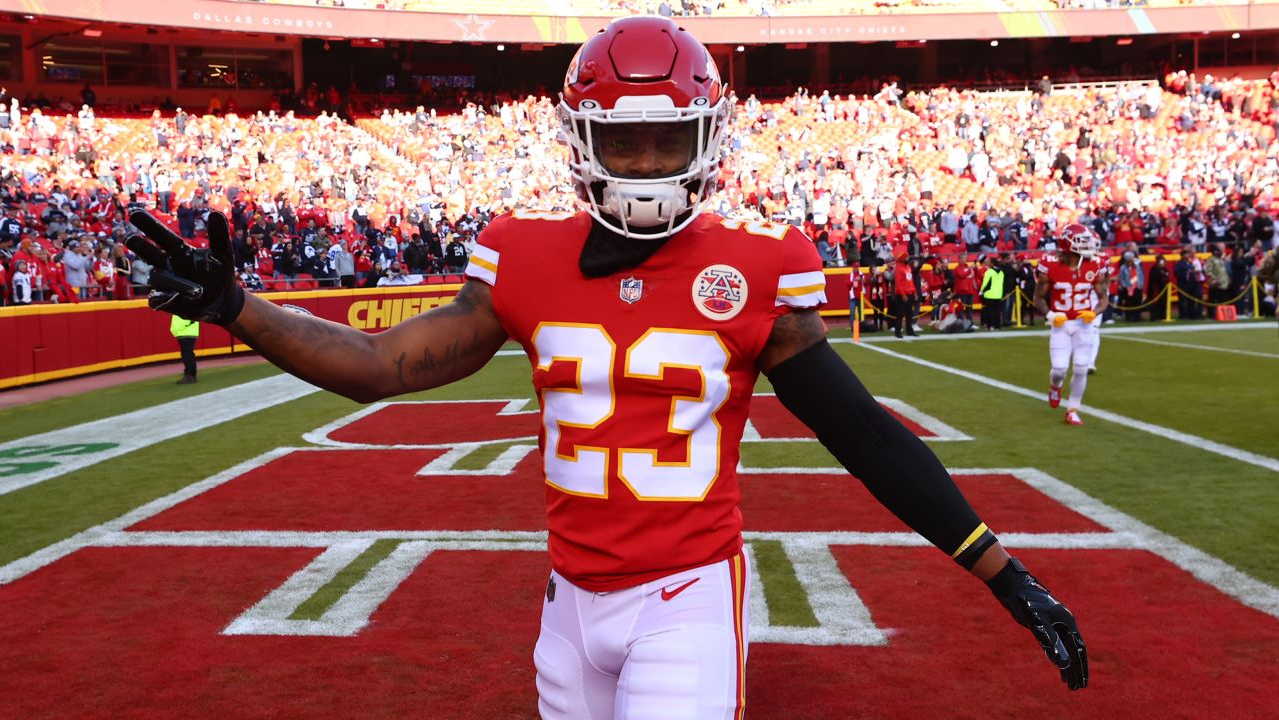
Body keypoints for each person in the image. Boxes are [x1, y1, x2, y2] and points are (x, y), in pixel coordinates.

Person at [124, 17, 1086, 717]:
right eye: (627, 140)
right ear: (583, 143)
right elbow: (381, 365)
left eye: (671, 138)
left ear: (711, 139)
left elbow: (866, 435)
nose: (650, 162)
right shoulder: (524, 255)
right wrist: (235, 307)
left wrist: (1004, 575)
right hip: (567, 602)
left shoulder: (757, 265)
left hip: (687, 598)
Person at [1033, 224, 1111, 426]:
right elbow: (1038, 298)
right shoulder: (1050, 264)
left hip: (1083, 324)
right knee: (1059, 369)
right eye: (1081, 241)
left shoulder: (1094, 264)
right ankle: (1054, 386)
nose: (1087, 245)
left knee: (1081, 368)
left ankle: (1073, 409)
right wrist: (1051, 315)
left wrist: (1093, 313)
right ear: (1068, 243)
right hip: (1061, 323)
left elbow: (1104, 299)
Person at [170, 314, 199, 384]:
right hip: (186, 331)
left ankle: (190, 376)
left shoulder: (185, 304)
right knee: (187, 354)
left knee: (187, 354)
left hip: (186, 331)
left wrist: (183, 326)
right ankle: (190, 375)